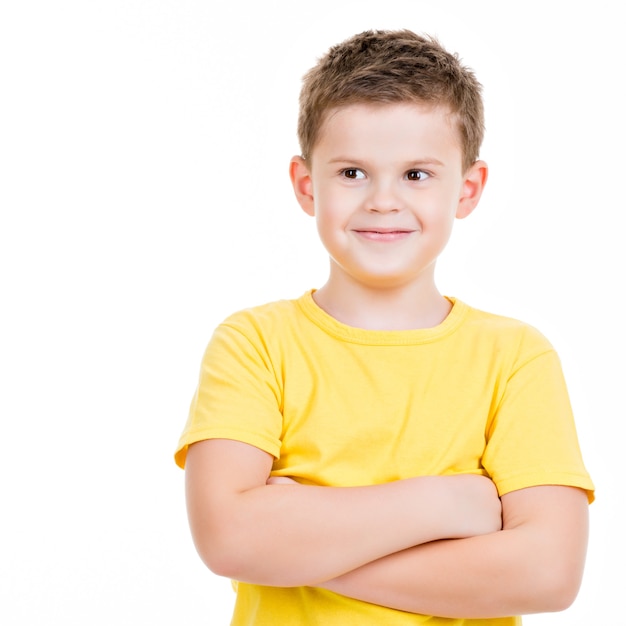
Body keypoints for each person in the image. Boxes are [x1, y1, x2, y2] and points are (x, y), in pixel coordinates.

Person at [174, 29, 594, 625]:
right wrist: (445, 503)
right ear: (305, 184)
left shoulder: (515, 357)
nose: (382, 201)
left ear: (467, 190)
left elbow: (548, 574)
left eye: (416, 175)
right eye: (351, 173)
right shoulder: (255, 344)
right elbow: (228, 540)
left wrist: (302, 549)